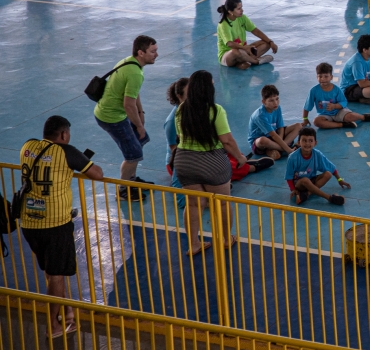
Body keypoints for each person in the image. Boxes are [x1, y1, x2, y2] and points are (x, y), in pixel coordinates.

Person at [18, 115, 104, 337]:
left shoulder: (28, 146)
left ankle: (67, 314)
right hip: (55, 224)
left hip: (29, 222)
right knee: (56, 274)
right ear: (64, 134)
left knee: (52, 272)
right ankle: (53, 326)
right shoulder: (67, 152)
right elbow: (97, 174)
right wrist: (79, 159)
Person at [173, 70, 247, 255]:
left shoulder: (181, 109)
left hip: (184, 162)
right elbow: (227, 140)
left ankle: (194, 244)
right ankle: (225, 239)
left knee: (193, 204)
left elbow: (180, 136)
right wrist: (240, 157)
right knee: (222, 203)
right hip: (211, 162)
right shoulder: (215, 110)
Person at [93, 34, 156, 200]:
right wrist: (139, 126)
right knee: (133, 154)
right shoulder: (135, 73)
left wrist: (140, 113)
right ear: (141, 53)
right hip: (111, 117)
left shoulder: (130, 62)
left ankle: (131, 179)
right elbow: (128, 105)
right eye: (152, 51)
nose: (156, 54)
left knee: (140, 140)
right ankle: (123, 190)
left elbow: (133, 93)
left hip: (113, 112)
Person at [285, 127, 349, 206]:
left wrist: (340, 180)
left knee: (328, 174)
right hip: (299, 184)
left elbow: (331, 167)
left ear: (315, 143)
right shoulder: (292, 157)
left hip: (311, 180)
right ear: (298, 142)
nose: (307, 143)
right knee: (305, 180)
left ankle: (307, 194)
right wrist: (293, 189)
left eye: (310, 141)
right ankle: (329, 197)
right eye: (304, 140)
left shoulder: (317, 154)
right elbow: (289, 176)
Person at [304, 62, 370, 128]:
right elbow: (307, 106)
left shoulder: (336, 90)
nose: (322, 79)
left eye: (326, 76)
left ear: (331, 77)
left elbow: (344, 102)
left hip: (338, 112)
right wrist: (305, 119)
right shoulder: (313, 91)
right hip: (324, 115)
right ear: (317, 77)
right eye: (320, 76)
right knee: (317, 122)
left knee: (350, 116)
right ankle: (342, 124)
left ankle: (363, 117)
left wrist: (334, 106)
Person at [217, 0, 277, 68]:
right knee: (235, 52)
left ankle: (244, 61)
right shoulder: (223, 24)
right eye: (239, 9)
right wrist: (245, 48)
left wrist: (270, 41)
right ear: (230, 11)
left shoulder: (242, 17)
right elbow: (230, 44)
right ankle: (256, 61)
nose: (242, 10)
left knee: (266, 43)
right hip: (228, 55)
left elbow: (255, 31)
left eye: (241, 7)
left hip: (243, 50)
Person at [248, 84, 303, 159]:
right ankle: (283, 148)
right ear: (263, 102)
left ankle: (274, 148)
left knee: (298, 126)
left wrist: (280, 141)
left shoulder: (277, 108)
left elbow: (280, 127)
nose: (275, 103)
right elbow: (273, 135)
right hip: (260, 141)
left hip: (274, 136)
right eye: (271, 100)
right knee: (262, 140)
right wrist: (288, 150)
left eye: (277, 99)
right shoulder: (260, 115)